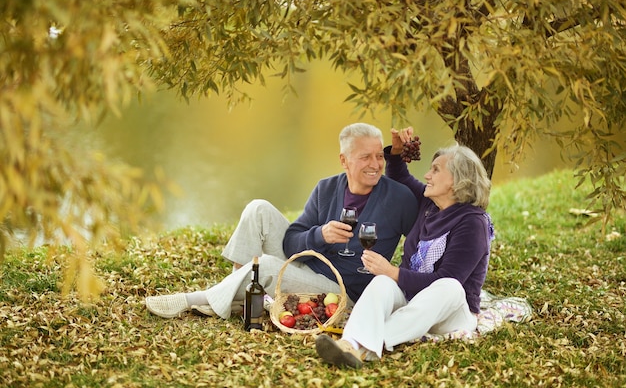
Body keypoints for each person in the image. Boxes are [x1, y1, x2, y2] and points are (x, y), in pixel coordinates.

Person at [145, 123, 418, 320]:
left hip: (343, 289)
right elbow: (291, 241)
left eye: (379, 156)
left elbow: (421, 241)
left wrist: (401, 280)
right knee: (258, 209)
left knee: (266, 266)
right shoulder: (326, 188)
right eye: (365, 157)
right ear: (344, 160)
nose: (375, 164)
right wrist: (320, 235)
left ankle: (195, 299)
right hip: (309, 262)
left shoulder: (399, 199)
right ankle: (235, 293)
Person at [315, 127, 495, 369]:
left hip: (449, 314)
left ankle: (370, 343)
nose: (428, 176)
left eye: (436, 170)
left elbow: (446, 279)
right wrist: (397, 151)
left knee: (450, 287)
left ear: (456, 180)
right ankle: (351, 345)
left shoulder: (473, 222)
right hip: (413, 302)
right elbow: (400, 176)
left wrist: (393, 272)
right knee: (381, 282)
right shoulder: (429, 205)